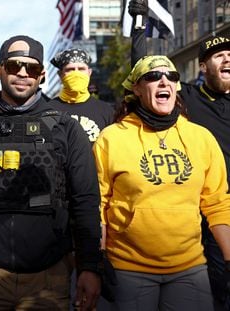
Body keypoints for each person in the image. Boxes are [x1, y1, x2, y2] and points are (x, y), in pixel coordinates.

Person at [0, 35, 102, 311]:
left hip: (48, 277)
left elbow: (85, 200)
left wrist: (90, 266)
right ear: (0, 69)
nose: (23, 74)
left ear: (42, 75)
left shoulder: (66, 129)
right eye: (14, 66)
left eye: (32, 68)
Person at [93, 54, 230, 310]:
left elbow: (217, 203)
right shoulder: (111, 138)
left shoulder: (201, 137)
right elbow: (97, 205)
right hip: (127, 269)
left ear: (177, 86)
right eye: (153, 76)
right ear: (136, 88)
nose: (164, 81)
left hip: (190, 267)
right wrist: (96, 262)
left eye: (172, 76)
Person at [128, 2, 230, 309]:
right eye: (219, 55)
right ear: (202, 66)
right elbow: (145, 73)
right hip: (208, 213)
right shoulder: (186, 98)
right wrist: (138, 26)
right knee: (218, 287)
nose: (227, 59)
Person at [49, 48, 114, 143]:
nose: (76, 73)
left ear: (89, 73)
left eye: (81, 69)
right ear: (60, 74)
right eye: (70, 69)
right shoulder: (48, 110)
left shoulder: (107, 112)